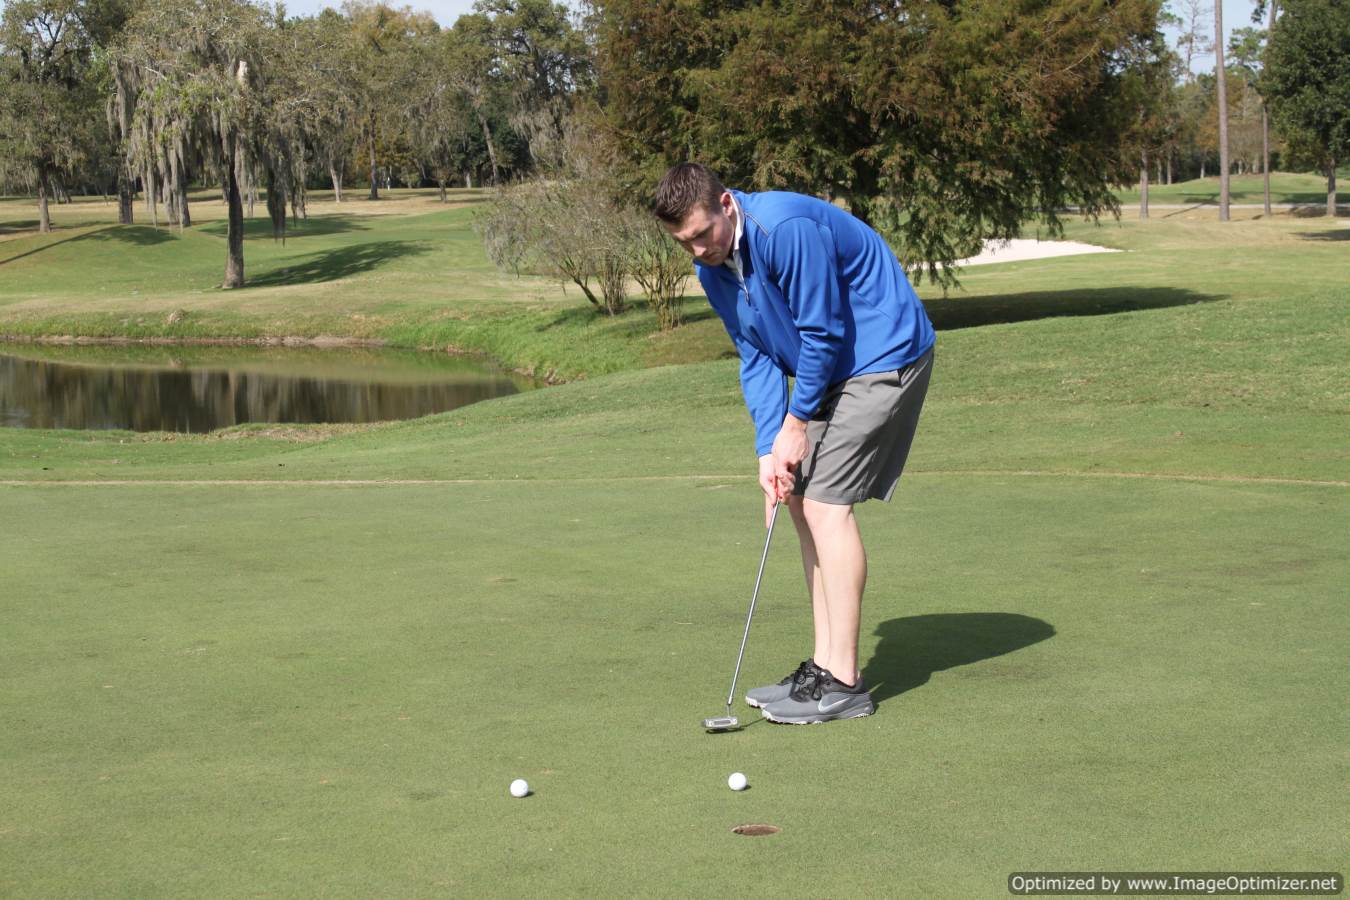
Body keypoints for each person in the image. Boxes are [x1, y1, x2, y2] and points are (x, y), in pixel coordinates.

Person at [654, 163, 935, 725]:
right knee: (800, 502)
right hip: (831, 369)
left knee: (829, 507)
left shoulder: (784, 228)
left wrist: (798, 421)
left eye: (703, 234)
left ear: (726, 204)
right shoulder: (714, 273)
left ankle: (847, 682)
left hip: (884, 354)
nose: (699, 250)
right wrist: (768, 448)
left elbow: (822, 329)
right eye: (684, 243)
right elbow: (756, 356)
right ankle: (822, 665)